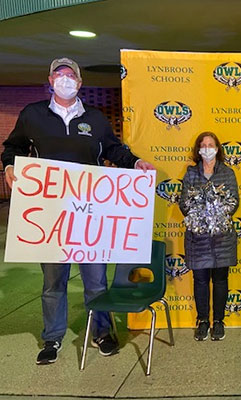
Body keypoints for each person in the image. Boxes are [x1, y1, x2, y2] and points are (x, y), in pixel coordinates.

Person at [1, 57, 155, 365]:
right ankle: (52, 337)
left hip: (89, 214)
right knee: (53, 282)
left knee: (95, 281)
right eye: (59, 74)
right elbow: (14, 147)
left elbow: (113, 149)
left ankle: (101, 332)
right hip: (50, 215)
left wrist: (135, 162)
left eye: (70, 75)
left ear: (80, 83)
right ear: (50, 80)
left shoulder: (94, 118)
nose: (65, 79)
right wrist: (8, 165)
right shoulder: (33, 114)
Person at [178, 132, 239, 341]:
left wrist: (216, 215)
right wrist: (200, 217)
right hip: (198, 238)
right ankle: (203, 320)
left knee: (220, 280)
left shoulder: (228, 173)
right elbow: (184, 203)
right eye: (203, 145)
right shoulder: (190, 174)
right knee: (201, 280)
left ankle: (219, 321)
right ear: (198, 149)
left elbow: (234, 202)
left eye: (210, 145)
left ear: (217, 149)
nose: (206, 148)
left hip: (222, 238)